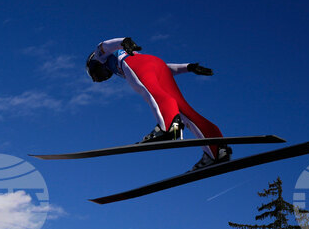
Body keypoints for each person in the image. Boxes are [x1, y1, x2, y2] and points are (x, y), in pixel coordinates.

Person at [86, 37, 231, 170]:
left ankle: (168, 128)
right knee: (184, 110)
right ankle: (217, 150)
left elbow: (104, 46)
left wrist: (124, 41)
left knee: (151, 93)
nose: (97, 78)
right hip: (158, 64)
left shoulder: (101, 57)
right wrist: (189, 67)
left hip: (136, 64)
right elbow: (161, 68)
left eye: (94, 74)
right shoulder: (127, 58)